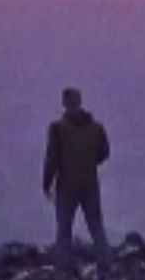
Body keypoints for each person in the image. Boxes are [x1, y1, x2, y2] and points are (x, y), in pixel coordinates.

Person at [43, 86, 111, 269]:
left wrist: (47, 182)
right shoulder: (97, 128)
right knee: (96, 226)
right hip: (90, 183)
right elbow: (104, 153)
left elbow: (52, 158)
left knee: (64, 229)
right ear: (80, 101)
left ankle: (64, 269)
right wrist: (89, 163)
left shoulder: (57, 128)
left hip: (66, 184)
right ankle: (105, 265)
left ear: (64, 103)